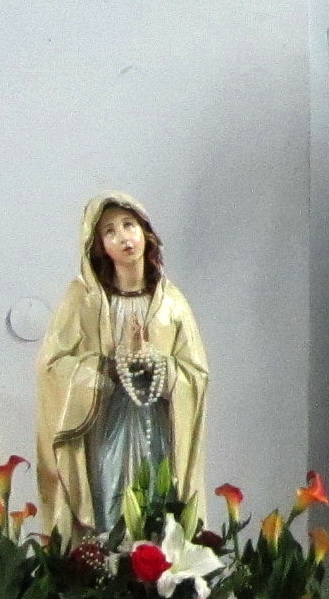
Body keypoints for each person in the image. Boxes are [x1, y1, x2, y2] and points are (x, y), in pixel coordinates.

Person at [35, 193, 210, 534]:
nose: (123, 237)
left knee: (156, 498)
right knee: (110, 492)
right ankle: (109, 560)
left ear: (145, 231)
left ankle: (155, 563)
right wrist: (106, 369)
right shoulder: (83, 299)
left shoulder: (171, 303)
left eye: (129, 225)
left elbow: (196, 374)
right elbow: (52, 365)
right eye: (110, 231)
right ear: (99, 246)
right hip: (104, 425)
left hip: (156, 424)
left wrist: (159, 367)